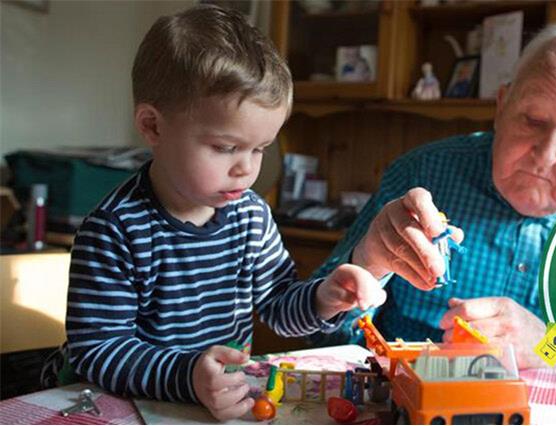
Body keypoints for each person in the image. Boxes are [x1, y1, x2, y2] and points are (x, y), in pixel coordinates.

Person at [40, 5, 385, 421]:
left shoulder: (251, 216)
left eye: (259, 149)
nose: (246, 168)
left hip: (203, 402)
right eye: (225, 147)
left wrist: (322, 298)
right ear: (152, 126)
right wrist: (188, 376)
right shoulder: (114, 229)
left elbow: (277, 305)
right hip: (110, 401)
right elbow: (98, 351)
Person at [310, 17, 556, 369]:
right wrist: (366, 263)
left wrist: (555, 350)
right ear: (501, 106)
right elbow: (319, 334)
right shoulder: (422, 174)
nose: (546, 155)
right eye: (532, 121)